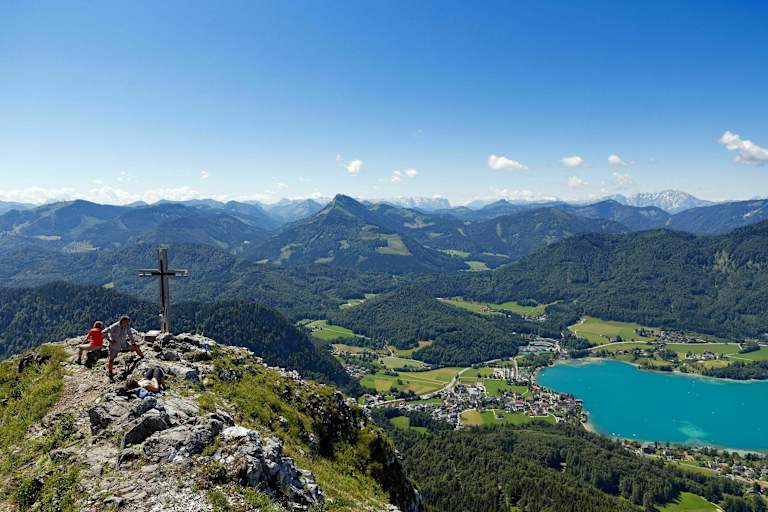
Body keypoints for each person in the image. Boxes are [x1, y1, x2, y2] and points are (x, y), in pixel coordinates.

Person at [104, 315, 144, 380]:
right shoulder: (115, 326)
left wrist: (133, 342)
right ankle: (110, 373)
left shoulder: (126, 325)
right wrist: (109, 340)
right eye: (126, 322)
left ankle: (142, 358)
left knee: (136, 347)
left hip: (123, 344)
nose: (127, 323)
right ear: (122, 321)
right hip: (115, 345)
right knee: (111, 359)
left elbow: (130, 334)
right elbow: (104, 332)